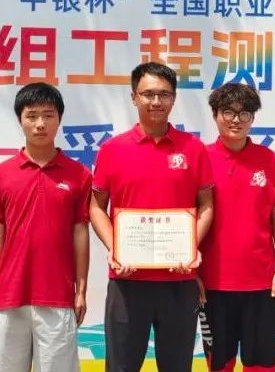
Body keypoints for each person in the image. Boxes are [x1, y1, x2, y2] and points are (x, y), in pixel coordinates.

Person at [89, 62, 214, 372]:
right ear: (134, 97)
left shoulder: (194, 149)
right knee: (121, 366)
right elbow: (96, 207)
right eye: (148, 94)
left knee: (177, 366)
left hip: (179, 280)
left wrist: (190, 247)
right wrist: (115, 248)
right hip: (127, 280)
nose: (156, 101)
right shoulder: (112, 150)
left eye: (164, 94)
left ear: (174, 98)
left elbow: (206, 206)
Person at [0, 82, 92, 372]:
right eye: (32, 115)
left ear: (59, 119)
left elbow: (80, 234)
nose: (40, 123)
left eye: (48, 115)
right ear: (20, 120)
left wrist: (81, 290)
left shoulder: (79, 175)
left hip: (57, 295)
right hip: (9, 295)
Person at [198, 82, 275, 372]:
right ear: (215, 115)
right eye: (228, 112)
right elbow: (188, 218)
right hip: (213, 286)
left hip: (263, 285)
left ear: (253, 117)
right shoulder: (200, 159)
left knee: (262, 365)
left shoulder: (269, 161)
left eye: (244, 113)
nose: (236, 120)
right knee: (220, 365)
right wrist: (193, 274)